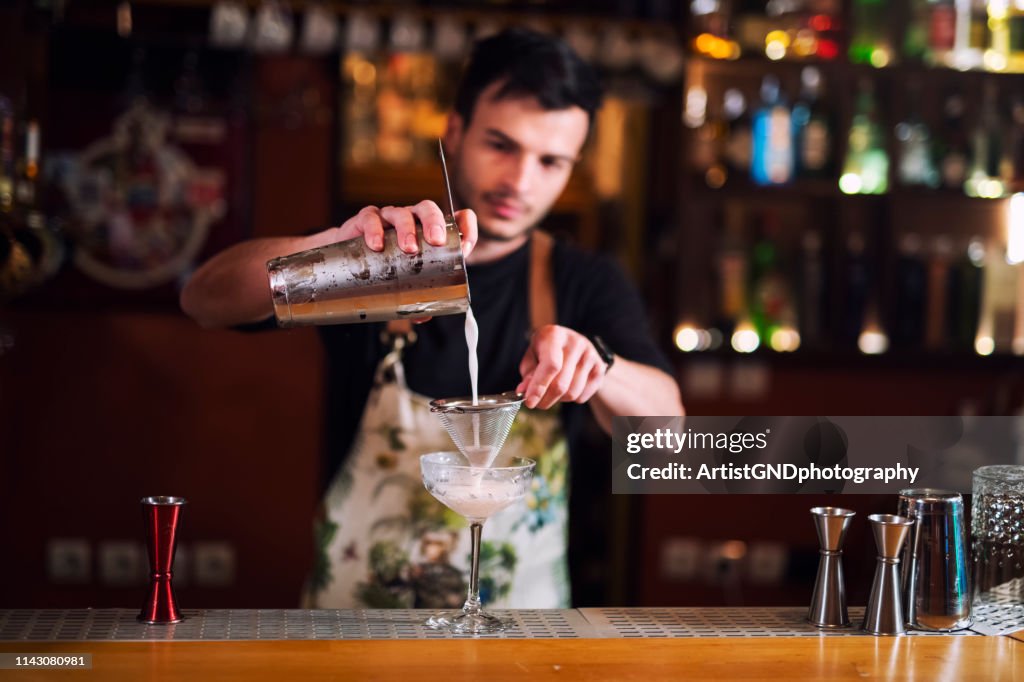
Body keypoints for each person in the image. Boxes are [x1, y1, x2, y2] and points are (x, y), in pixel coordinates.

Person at [181, 27, 684, 609]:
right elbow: (202, 300)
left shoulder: (584, 282)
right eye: (501, 144)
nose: (521, 182)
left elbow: (667, 437)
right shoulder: (380, 257)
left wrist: (598, 366)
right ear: (454, 131)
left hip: (520, 640)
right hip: (357, 634)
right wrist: (328, 251)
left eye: (551, 161)